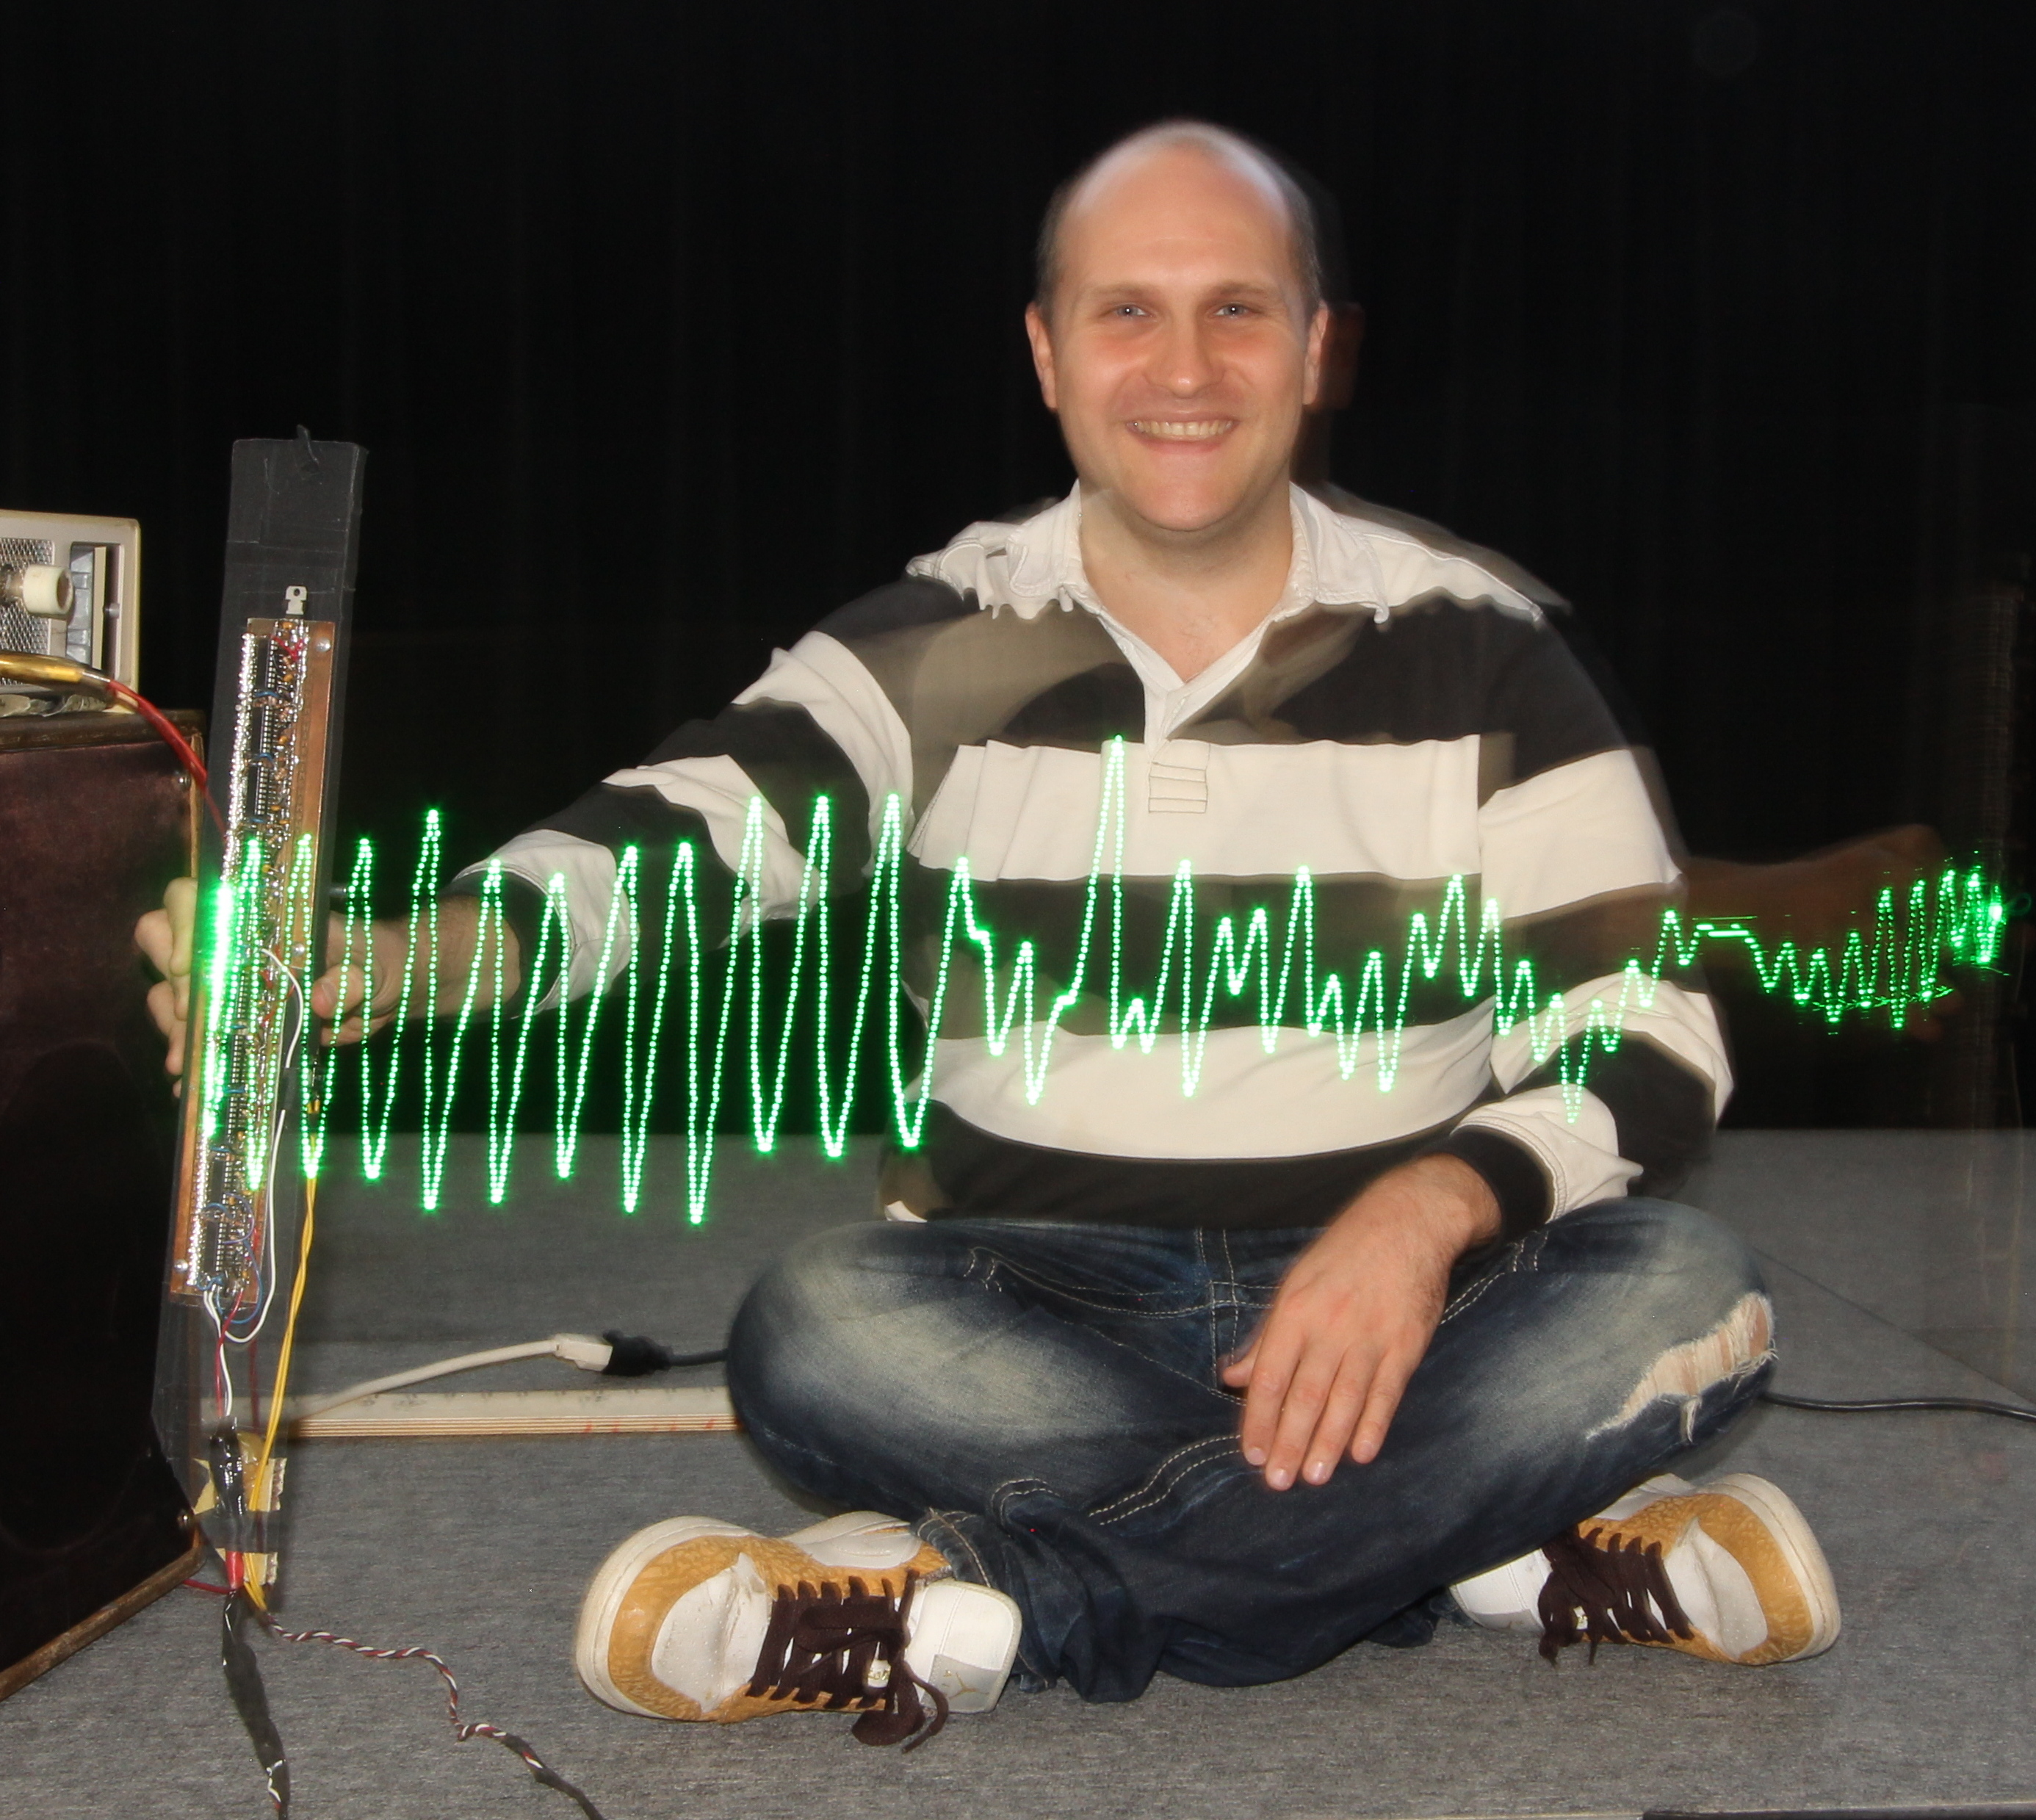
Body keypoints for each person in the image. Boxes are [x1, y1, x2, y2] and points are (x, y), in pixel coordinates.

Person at [139, 120, 1838, 1748]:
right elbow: (676, 837)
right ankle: (1483, 1539)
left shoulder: (1489, 647)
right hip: (1034, 1300)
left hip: (1421, 1301)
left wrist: (1426, 1211)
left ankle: (972, 1606)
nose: (1183, 369)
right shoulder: (936, 637)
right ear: (1045, 352)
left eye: (1236, 310)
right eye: (1126, 312)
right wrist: (405, 958)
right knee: (814, 1327)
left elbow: (1649, 1024)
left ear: (1317, 346)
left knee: (1679, 1282)